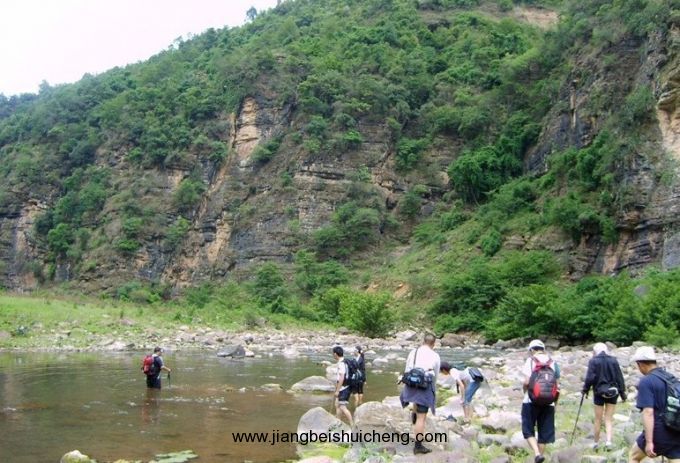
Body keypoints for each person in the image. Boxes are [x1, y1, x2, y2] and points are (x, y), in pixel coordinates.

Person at [629, 346, 680, 463]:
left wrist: (649, 442)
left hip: (659, 432)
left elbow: (648, 412)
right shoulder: (670, 378)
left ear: (641, 364)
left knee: (634, 456)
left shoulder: (646, 381)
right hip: (676, 429)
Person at [400, 333, 441, 455]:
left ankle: (414, 413)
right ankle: (418, 446)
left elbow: (407, 369)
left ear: (423, 341)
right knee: (421, 418)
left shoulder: (414, 352)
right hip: (425, 385)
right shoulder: (435, 355)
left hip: (411, 383)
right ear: (433, 344)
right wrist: (433, 389)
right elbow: (435, 375)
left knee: (415, 400)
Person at [582, 342, 627, 451]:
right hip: (613, 392)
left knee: (598, 419)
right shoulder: (613, 360)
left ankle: (596, 443)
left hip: (599, 392)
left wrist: (585, 390)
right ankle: (608, 442)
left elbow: (590, 378)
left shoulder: (593, 361)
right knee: (608, 419)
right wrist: (622, 393)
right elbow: (619, 377)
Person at [521, 339, 560, 463]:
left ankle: (537, 454)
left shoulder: (530, 361)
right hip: (549, 402)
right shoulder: (553, 362)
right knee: (544, 433)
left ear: (532, 350)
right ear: (543, 349)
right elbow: (557, 386)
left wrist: (525, 392)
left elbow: (526, 382)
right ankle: (539, 456)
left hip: (531, 401)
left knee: (528, 430)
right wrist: (555, 403)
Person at [332, 346, 354, 427]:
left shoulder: (341, 363)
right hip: (345, 386)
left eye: (333, 353)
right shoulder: (345, 361)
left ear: (335, 354)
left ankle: (352, 424)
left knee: (342, 407)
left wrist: (337, 391)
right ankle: (338, 422)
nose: (333, 355)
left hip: (344, 388)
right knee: (337, 405)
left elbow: (342, 377)